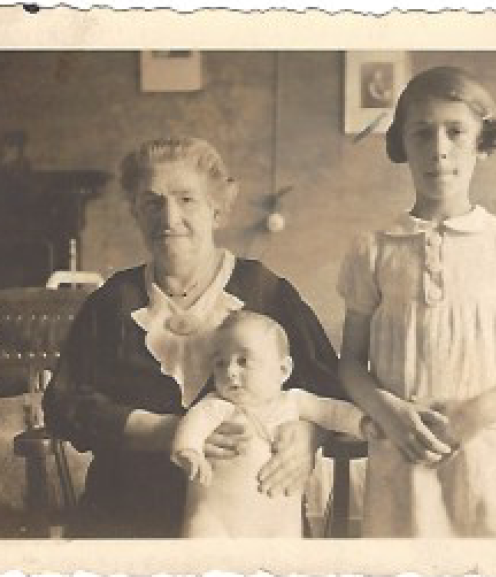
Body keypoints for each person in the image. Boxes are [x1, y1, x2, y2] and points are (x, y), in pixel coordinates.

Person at [43, 136, 345, 537]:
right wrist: (168, 432)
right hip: (127, 515)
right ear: (135, 212)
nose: (169, 218)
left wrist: (307, 437)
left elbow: (331, 388)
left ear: (217, 208)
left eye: (186, 199)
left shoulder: (266, 291)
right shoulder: (113, 302)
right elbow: (64, 404)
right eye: (152, 203)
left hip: (249, 517)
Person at [337, 66, 496, 537]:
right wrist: (387, 412)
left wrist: (476, 414)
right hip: (405, 450)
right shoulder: (374, 250)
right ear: (403, 145)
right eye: (422, 133)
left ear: (482, 142)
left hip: (491, 454)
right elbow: (351, 364)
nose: (439, 149)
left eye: (456, 132)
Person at [171, 310, 369, 537]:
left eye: (243, 361)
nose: (230, 371)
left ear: (283, 370)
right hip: (216, 519)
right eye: (220, 363)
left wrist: (364, 424)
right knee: (202, 541)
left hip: (278, 521)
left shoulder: (293, 402)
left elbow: (333, 412)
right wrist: (189, 451)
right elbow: (192, 426)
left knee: (284, 551)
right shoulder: (216, 406)